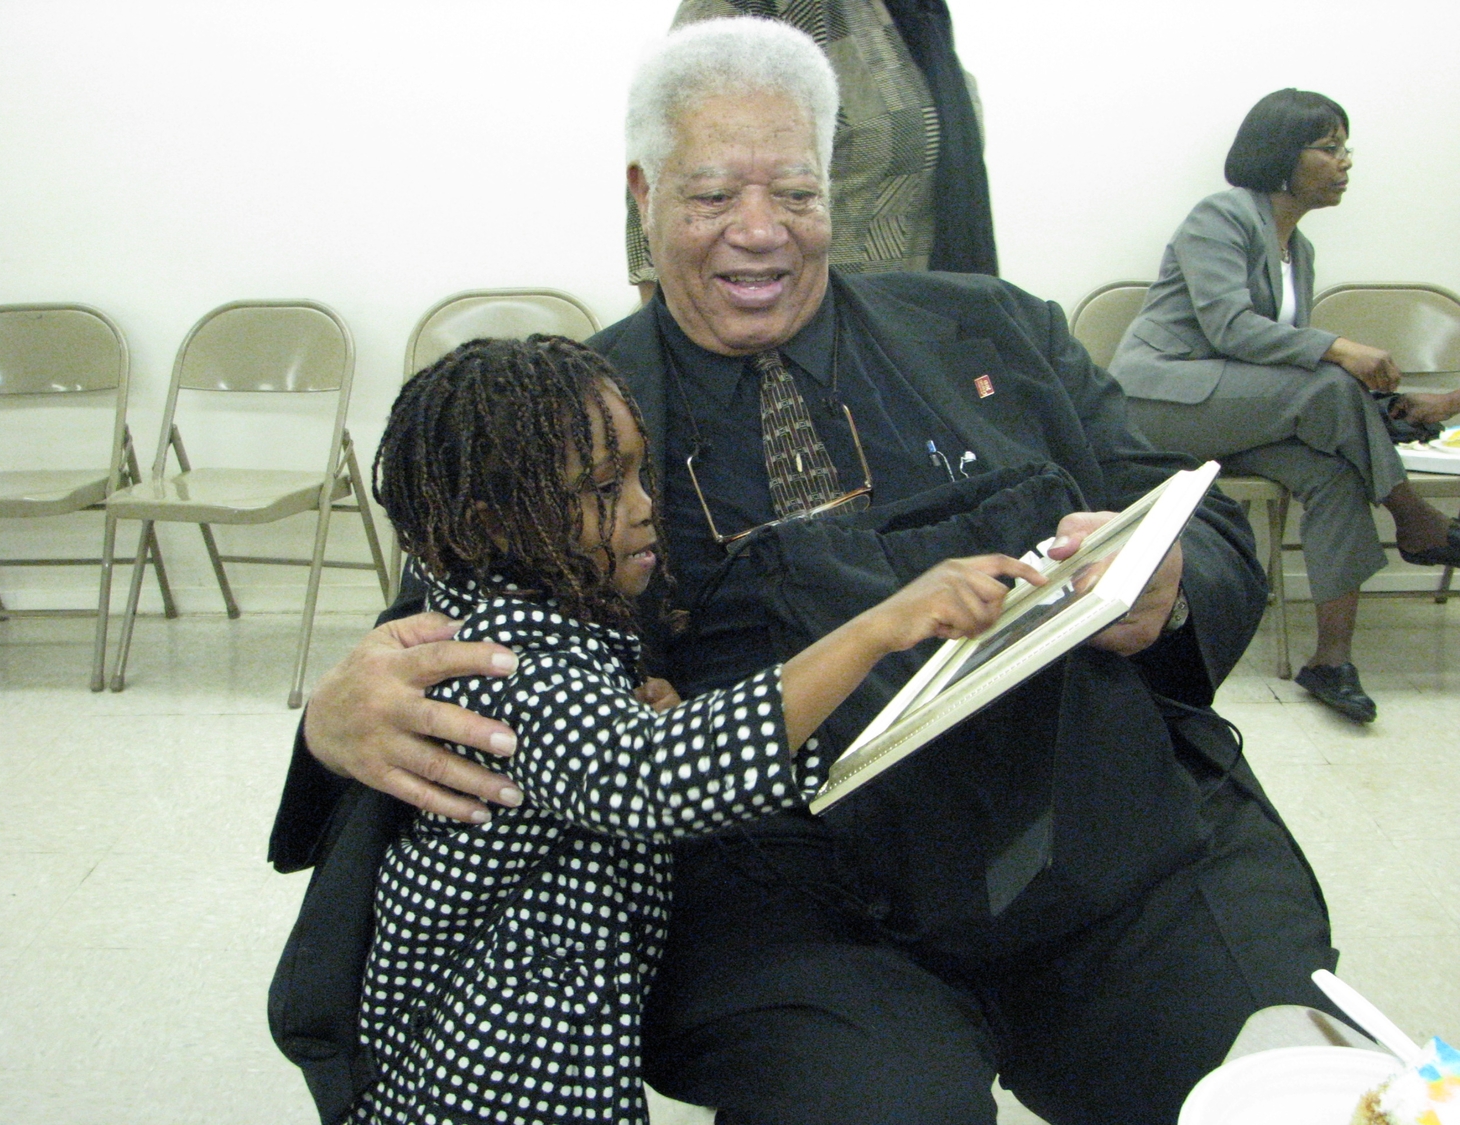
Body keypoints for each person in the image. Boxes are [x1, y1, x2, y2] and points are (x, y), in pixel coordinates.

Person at [272, 20, 1341, 1125]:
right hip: (783, 907)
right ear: (642, 193)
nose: (758, 235)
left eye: (793, 191)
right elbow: (440, 647)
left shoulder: (999, 331)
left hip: (1099, 836)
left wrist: (1169, 578)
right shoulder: (564, 417)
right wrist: (332, 722)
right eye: (710, 196)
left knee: (1285, 1083)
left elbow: (1197, 513)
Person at [344, 333, 1042, 1123]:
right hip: (489, 1068)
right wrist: (878, 626)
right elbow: (648, 776)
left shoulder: (544, 629)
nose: (644, 507)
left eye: (640, 473)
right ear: (485, 525)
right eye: (604, 486)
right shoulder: (497, 667)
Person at [1111, 89, 1460, 724]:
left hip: (1235, 408)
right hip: (1163, 398)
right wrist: (1341, 349)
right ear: (1279, 157)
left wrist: (1369, 395)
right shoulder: (1219, 217)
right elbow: (1229, 329)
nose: (1345, 163)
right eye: (1329, 148)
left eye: (1345, 148)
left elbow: (1285, 361)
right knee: (1329, 386)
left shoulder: (1299, 251)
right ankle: (1413, 515)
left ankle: (1330, 661)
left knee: (1333, 474)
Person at [626, 0, 996, 303]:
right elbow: (666, 181)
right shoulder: (773, 8)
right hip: (804, 344)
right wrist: (666, 374)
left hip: (921, 329)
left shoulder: (918, 13)